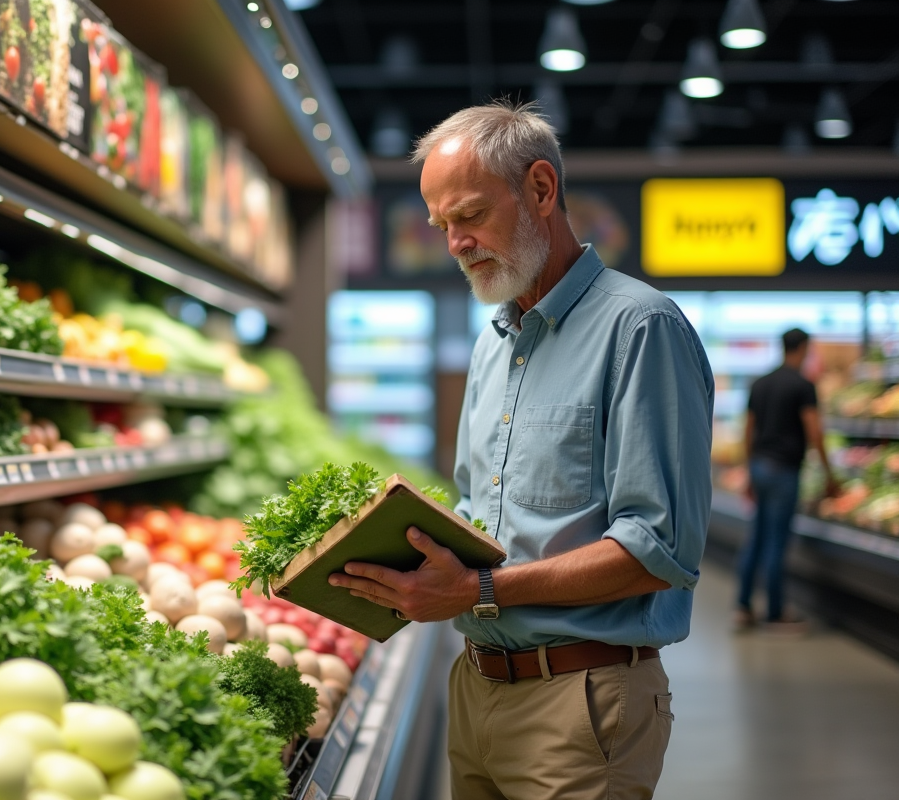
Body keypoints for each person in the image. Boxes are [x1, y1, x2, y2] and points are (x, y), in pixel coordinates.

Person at [327, 100, 714, 800]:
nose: (454, 242)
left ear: (541, 188)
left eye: (470, 215)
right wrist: (392, 546)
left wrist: (476, 589)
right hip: (476, 690)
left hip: (580, 704)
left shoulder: (640, 329)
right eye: (442, 224)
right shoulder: (492, 343)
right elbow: (483, 511)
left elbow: (658, 550)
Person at [736, 328, 838, 633]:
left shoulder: (761, 384)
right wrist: (830, 475)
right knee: (777, 543)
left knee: (756, 538)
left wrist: (749, 469)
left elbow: (749, 428)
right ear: (804, 348)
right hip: (784, 471)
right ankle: (776, 612)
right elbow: (815, 431)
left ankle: (743, 607)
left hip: (760, 467)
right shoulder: (804, 386)